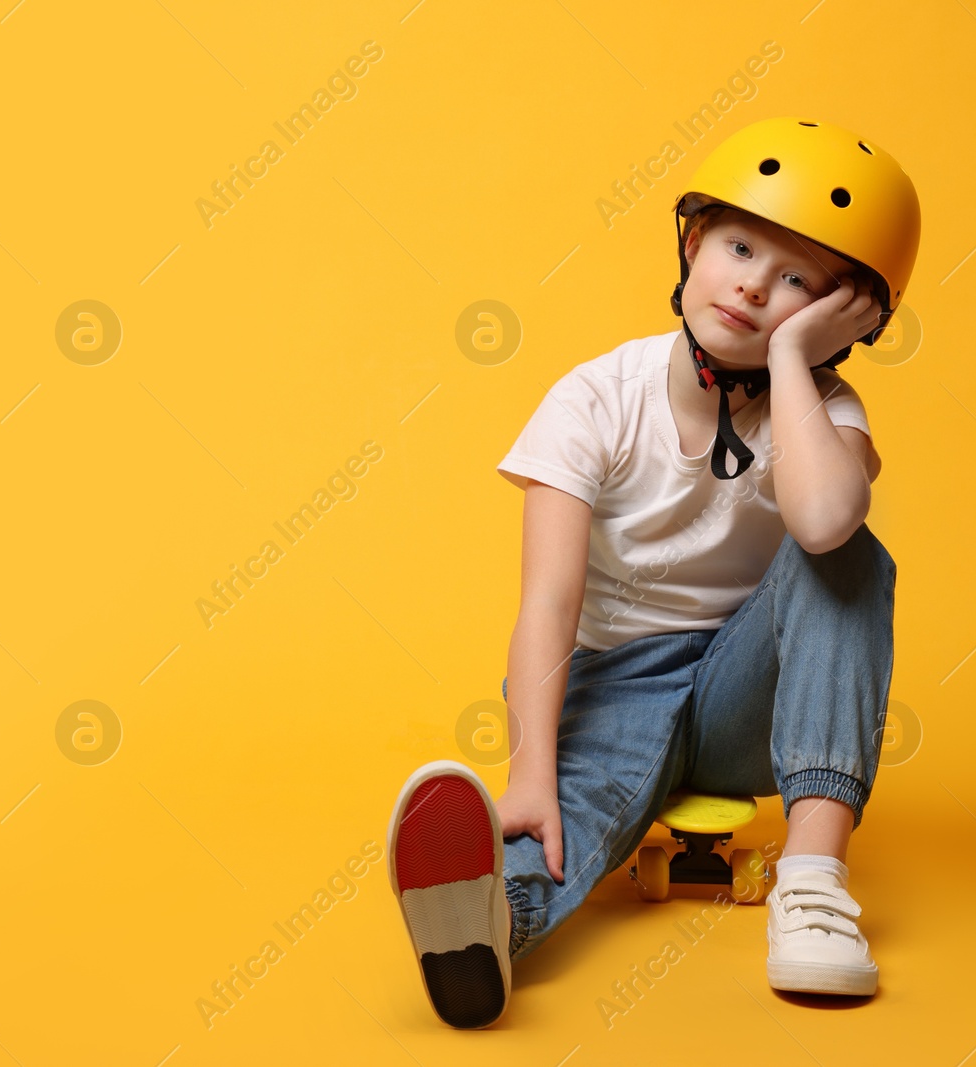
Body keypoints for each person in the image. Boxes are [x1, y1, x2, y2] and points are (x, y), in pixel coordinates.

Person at [384, 116, 920, 1029]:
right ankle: (487, 928)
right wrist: (529, 775)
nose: (754, 284)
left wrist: (790, 358)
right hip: (611, 682)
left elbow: (827, 520)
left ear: (848, 319)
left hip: (749, 702)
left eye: (798, 280)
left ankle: (814, 886)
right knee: (563, 823)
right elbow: (548, 606)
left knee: (847, 554)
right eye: (740, 245)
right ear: (691, 242)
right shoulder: (595, 399)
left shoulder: (825, 411)